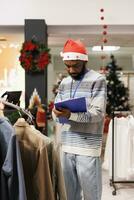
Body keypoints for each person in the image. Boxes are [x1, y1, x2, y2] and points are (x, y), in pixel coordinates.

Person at [52, 39, 107, 200]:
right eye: (67, 66)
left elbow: (97, 113)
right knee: (68, 196)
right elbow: (57, 109)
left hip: (88, 148)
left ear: (84, 61)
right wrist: (57, 113)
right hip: (67, 146)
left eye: (75, 65)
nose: (71, 69)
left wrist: (70, 115)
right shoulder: (64, 82)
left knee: (91, 195)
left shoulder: (98, 80)